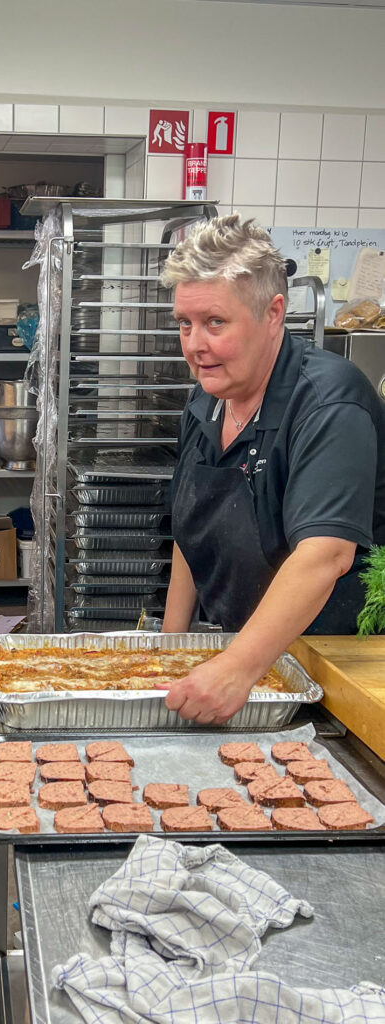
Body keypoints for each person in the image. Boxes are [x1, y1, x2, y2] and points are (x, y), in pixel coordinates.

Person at [158, 214, 385, 725]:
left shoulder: (329, 404)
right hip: (245, 658)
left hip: (329, 672)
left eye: (215, 322)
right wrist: (168, 650)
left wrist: (237, 669)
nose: (195, 345)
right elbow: (188, 532)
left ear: (273, 313)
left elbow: (325, 556)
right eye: (184, 323)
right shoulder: (206, 400)